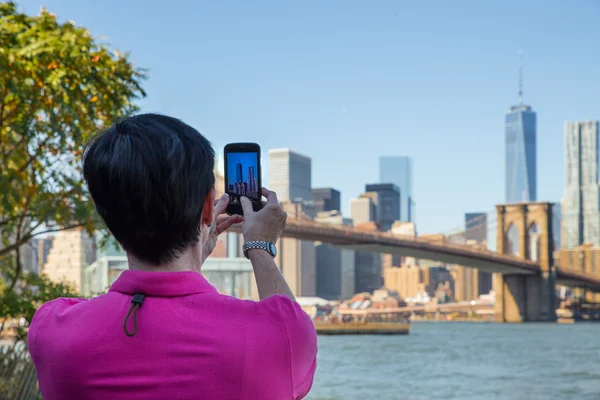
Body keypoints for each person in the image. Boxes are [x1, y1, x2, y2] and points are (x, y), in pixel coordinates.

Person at [28, 114, 318, 400]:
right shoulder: (279, 336)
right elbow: (288, 323)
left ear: (107, 217)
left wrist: (191, 260)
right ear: (208, 207)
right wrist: (260, 247)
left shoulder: (52, 331)